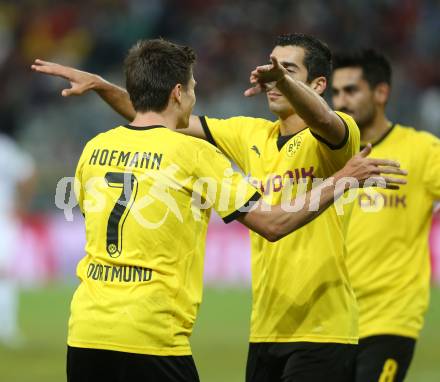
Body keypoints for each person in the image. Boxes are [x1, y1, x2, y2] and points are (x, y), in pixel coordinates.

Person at [32, 34, 406, 382]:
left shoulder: (338, 137)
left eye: (288, 71)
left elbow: (323, 118)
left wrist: (285, 84)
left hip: (324, 329)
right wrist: (104, 87)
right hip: (265, 329)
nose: (273, 79)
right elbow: (160, 116)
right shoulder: (249, 134)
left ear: (319, 85)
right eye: (271, 68)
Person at [331, 49, 440, 382]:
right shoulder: (328, 154)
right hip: (332, 322)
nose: (340, 102)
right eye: (335, 93)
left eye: (351, 91)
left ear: (381, 93)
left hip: (389, 320)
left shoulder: (421, 151)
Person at [0, 131, 35, 347]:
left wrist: (21, 206)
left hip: (3, 217)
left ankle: (7, 327)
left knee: (3, 272)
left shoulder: (4, 147)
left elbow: (28, 175)